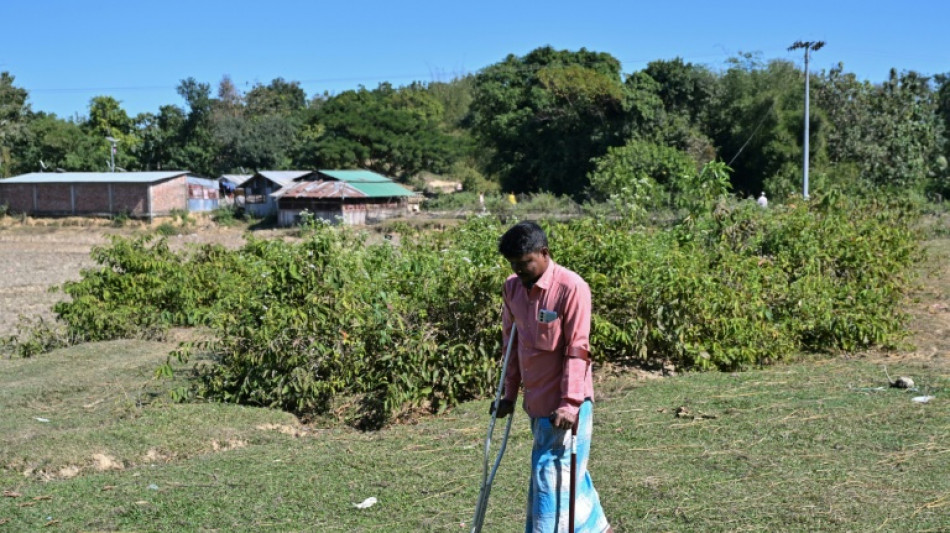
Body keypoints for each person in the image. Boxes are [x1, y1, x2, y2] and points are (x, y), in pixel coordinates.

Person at [491, 221, 612, 533]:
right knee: (570, 473)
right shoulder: (512, 288)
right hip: (537, 401)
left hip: (566, 406)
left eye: (525, 263)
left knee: (550, 476)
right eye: (513, 265)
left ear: (544, 253)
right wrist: (508, 394)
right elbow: (511, 343)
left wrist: (570, 403)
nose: (519, 271)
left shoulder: (571, 288)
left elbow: (578, 348)